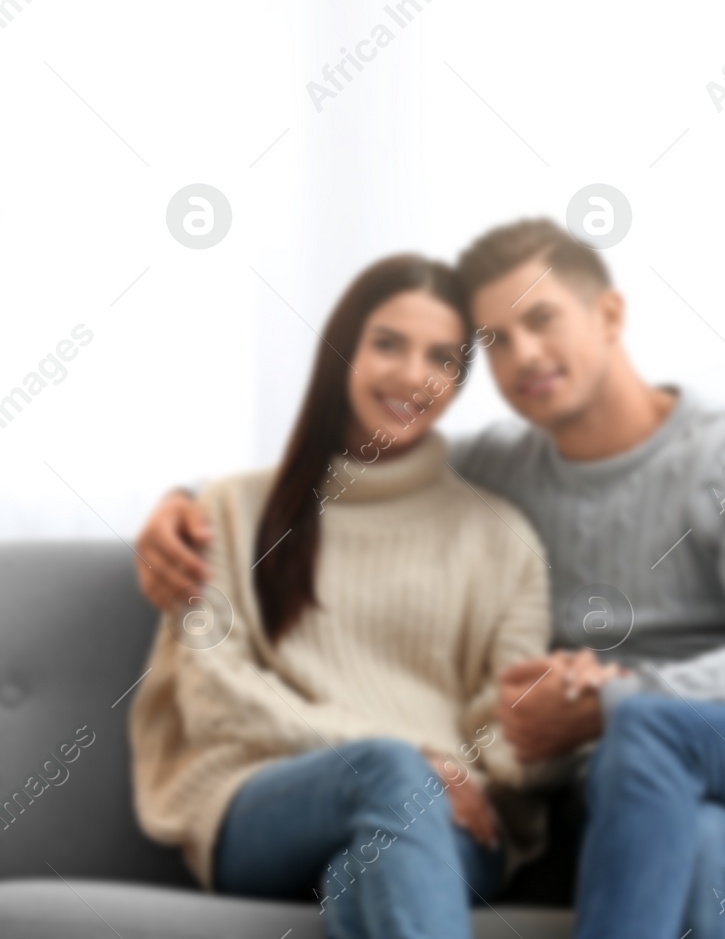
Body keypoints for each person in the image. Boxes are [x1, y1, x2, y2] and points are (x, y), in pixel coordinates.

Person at [132, 219, 725, 939]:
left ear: (610, 314)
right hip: (642, 803)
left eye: (544, 320)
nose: (523, 353)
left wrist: (608, 697)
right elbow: (373, 464)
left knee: (643, 726)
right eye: (494, 339)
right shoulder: (501, 471)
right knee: (699, 843)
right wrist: (178, 500)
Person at [128, 255, 560, 939]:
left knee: (364, 873)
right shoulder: (231, 512)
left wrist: (457, 773)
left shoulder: (502, 539)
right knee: (390, 774)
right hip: (264, 797)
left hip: (454, 812)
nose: (411, 374)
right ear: (343, 351)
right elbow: (215, 692)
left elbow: (508, 720)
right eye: (388, 343)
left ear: (457, 382)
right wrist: (411, 758)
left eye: (441, 358)